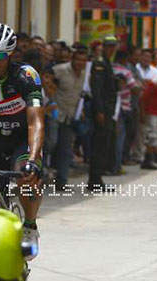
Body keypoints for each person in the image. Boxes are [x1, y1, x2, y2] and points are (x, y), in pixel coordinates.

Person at [0, 23, 45, 254]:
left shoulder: (26, 75)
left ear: (10, 54)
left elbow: (36, 122)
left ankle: (30, 226)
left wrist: (33, 159)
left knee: (26, 177)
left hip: (22, 138)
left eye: (0, 55)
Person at [52, 47, 88, 190]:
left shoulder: (85, 75)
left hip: (71, 117)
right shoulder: (59, 70)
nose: (80, 62)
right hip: (55, 114)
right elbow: (48, 83)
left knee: (66, 150)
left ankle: (61, 181)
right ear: (72, 59)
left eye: (83, 60)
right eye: (78, 59)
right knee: (50, 144)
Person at [87, 35, 118, 192]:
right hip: (102, 110)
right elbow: (97, 89)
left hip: (108, 110)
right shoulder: (99, 63)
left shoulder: (107, 63)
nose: (111, 49)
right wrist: (99, 111)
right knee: (99, 145)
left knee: (104, 144)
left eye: (113, 46)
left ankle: (97, 178)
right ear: (104, 47)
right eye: (109, 46)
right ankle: (95, 179)